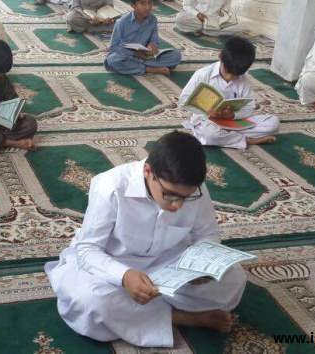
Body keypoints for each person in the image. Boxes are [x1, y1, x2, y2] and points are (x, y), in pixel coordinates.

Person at [46, 131, 247, 347]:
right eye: (170, 195)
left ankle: (142, 315)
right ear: (148, 171)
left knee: (234, 279)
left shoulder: (194, 188)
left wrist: (201, 265)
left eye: (186, 197)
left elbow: (207, 234)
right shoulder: (110, 186)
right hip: (115, 264)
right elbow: (87, 249)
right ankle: (181, 317)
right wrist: (124, 276)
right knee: (91, 302)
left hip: (168, 262)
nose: (178, 205)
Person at [179, 37, 279, 149]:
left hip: (233, 121)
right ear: (220, 56)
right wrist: (208, 111)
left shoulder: (244, 80)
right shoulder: (202, 74)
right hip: (207, 121)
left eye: (236, 75)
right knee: (210, 134)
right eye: (227, 72)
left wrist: (233, 115)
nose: (230, 77)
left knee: (273, 123)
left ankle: (228, 137)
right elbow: (183, 100)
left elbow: (249, 108)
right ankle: (246, 140)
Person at [105, 0, 182, 76]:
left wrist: (152, 46)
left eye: (150, 3)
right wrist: (134, 53)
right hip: (127, 56)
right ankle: (150, 69)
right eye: (143, 3)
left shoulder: (153, 20)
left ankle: (136, 67)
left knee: (176, 55)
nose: (147, 7)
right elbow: (113, 47)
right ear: (133, 5)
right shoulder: (122, 22)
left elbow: (154, 40)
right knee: (112, 60)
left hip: (146, 56)